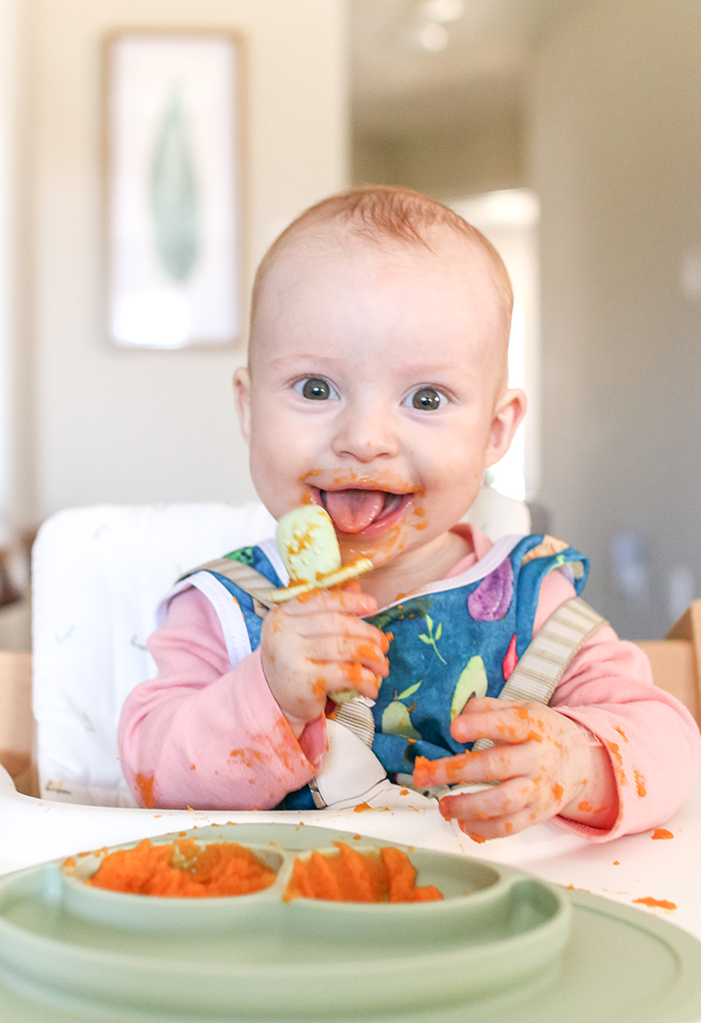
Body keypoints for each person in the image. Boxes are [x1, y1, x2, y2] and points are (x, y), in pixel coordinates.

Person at [118, 185, 701, 842]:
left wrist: (578, 761)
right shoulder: (224, 606)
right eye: (316, 388)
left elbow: (670, 743)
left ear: (493, 429)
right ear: (249, 409)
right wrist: (267, 694)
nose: (365, 437)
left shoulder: (531, 601)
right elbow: (148, 766)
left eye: (425, 397)